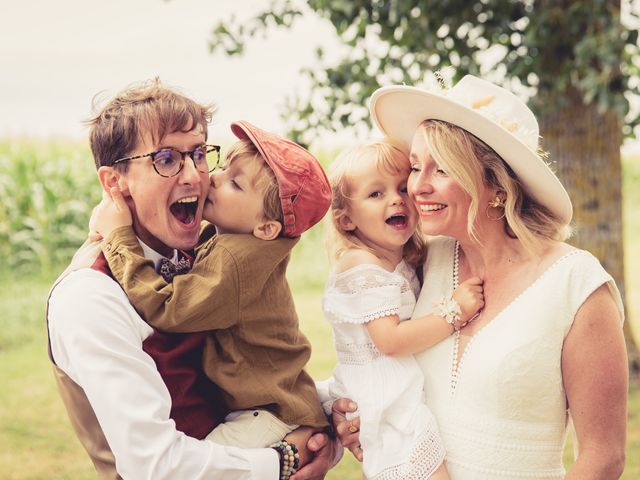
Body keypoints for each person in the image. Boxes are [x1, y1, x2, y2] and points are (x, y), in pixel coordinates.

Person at [333, 74, 629, 479]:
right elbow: (382, 370)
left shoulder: (575, 284)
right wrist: (360, 417)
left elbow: (603, 457)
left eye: (440, 170)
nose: (416, 187)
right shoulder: (420, 265)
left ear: (496, 187)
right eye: (415, 167)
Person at [46, 79, 339, 480]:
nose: (196, 177)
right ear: (115, 182)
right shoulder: (88, 296)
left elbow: (263, 364)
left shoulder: (209, 255)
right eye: (166, 158)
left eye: (198, 154)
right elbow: (156, 465)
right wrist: (285, 459)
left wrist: (325, 423)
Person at [89, 120, 330, 456]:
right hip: (270, 406)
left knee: (195, 468)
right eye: (224, 168)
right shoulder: (239, 241)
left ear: (266, 227)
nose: (212, 179)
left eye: (235, 184)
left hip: (268, 414)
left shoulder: (235, 258)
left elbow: (168, 309)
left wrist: (118, 237)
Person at [320, 139, 484, 479]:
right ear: (346, 220)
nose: (396, 199)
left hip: (397, 394)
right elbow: (390, 340)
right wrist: (454, 311)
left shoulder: (400, 261)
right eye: (375, 194)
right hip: (385, 398)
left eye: (400, 188)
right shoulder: (361, 265)